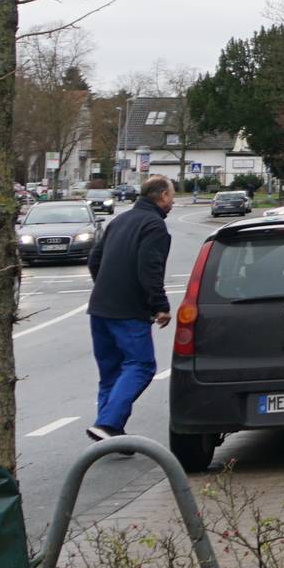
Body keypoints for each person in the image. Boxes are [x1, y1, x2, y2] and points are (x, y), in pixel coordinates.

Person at [86, 173, 175, 440]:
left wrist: (106, 287)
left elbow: (94, 259)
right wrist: (160, 305)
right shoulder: (154, 226)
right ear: (162, 196)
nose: (172, 202)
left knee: (111, 372)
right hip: (128, 311)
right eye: (171, 196)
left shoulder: (120, 220)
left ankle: (107, 433)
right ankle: (109, 423)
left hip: (100, 308)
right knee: (141, 365)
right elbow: (150, 268)